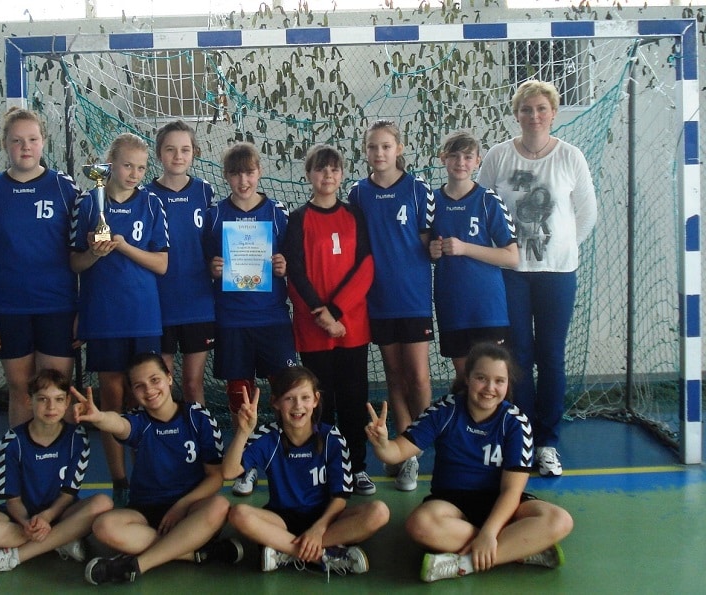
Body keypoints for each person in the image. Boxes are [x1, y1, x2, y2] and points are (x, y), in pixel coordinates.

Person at [365, 342, 574, 583]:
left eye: (499, 381)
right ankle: (519, 547)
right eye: (481, 378)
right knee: (419, 525)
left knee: (559, 520)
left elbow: (511, 491)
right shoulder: (444, 411)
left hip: (501, 503)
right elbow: (397, 451)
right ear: (467, 378)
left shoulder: (516, 423)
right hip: (452, 504)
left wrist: (489, 533)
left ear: (508, 384)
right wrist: (382, 444)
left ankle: (465, 564)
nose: (490, 388)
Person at [477, 80, 597, 477]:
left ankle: (547, 443)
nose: (534, 115)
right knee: (518, 357)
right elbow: (481, 207)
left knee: (551, 356)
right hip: (511, 273)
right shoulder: (498, 156)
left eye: (541, 108)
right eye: (526, 109)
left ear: (553, 113)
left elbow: (587, 213)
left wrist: (560, 249)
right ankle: (522, 437)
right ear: (516, 114)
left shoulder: (570, 156)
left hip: (557, 273)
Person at [72, 352, 242, 585]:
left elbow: (215, 477)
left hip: (191, 509)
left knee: (220, 506)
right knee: (104, 526)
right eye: (139, 386)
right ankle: (196, 552)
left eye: (155, 380)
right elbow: (120, 425)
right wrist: (100, 417)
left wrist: (181, 506)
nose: (149, 390)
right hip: (145, 511)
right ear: (133, 392)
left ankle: (138, 565)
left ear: (169, 378)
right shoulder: (139, 421)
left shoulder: (197, 418)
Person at [0, 108, 82, 427]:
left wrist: (84, 310)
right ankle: (22, 456)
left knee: (56, 391)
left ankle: (63, 459)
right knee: (22, 391)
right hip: (8, 309)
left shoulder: (64, 188)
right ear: (4, 144)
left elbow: (84, 254)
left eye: (32, 139)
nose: (25, 147)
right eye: (16, 140)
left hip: (58, 307)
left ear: (43, 142)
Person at [70, 132, 169, 506]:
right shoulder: (87, 203)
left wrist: (124, 246)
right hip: (104, 316)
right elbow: (74, 262)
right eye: (128, 165)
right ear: (110, 164)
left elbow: (162, 264)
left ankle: (147, 476)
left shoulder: (152, 203)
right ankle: (120, 480)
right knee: (111, 397)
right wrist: (95, 253)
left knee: (144, 398)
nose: (134, 174)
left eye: (141, 168)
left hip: (143, 316)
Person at [224, 365, 389, 578]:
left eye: (305, 397)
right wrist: (243, 432)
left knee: (379, 512)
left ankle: (284, 550)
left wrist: (318, 528)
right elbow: (229, 472)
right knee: (238, 514)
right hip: (281, 519)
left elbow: (340, 497)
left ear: (316, 400)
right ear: (275, 402)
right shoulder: (268, 436)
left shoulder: (332, 437)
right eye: (289, 398)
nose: (298, 406)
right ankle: (322, 555)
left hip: (326, 519)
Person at [202, 141, 297, 497]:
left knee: (286, 390)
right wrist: (212, 267)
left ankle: (289, 457)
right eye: (236, 174)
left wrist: (285, 265)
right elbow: (204, 260)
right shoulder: (214, 215)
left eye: (250, 172)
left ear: (260, 172)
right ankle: (247, 465)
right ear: (226, 176)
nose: (243, 181)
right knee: (240, 397)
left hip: (272, 318)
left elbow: (293, 258)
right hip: (232, 320)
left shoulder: (278, 213)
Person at [283, 144, 377, 496]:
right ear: (309, 174)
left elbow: (366, 266)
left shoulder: (355, 215)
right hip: (313, 329)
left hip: (351, 326)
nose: (327, 175)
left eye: (334, 169)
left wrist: (336, 311)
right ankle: (322, 466)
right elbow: (295, 273)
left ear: (341, 174)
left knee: (354, 399)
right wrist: (321, 315)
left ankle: (357, 466)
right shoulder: (298, 219)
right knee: (319, 402)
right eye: (321, 169)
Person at [348, 119, 435, 491]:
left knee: (419, 376)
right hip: (378, 300)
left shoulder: (418, 189)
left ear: (399, 149)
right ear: (365, 151)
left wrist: (437, 250)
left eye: (386, 146)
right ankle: (406, 453)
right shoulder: (358, 193)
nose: (379, 153)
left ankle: (423, 443)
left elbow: (428, 241)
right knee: (395, 376)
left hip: (413, 297)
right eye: (372, 147)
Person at [0, 369, 114, 578]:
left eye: (58, 399)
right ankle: (61, 539)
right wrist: (27, 523)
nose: (51, 407)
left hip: (60, 514)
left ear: (67, 402)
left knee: (103, 503)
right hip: (21, 520)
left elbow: (68, 495)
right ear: (28, 401)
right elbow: (13, 500)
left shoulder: (77, 438)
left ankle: (13, 555)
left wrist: (47, 517)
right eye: (42, 399)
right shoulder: (11, 442)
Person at [429, 130, 518, 390]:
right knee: (465, 379)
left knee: (492, 381)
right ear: (443, 158)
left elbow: (512, 257)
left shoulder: (488, 200)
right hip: (453, 306)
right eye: (454, 156)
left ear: (478, 161)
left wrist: (464, 247)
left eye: (468, 157)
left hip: (487, 308)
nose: (461, 162)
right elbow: (423, 251)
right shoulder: (430, 202)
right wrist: (432, 251)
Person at [149, 120, 216, 405]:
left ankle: (199, 433)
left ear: (194, 153)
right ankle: (164, 433)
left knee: (192, 383)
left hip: (198, 302)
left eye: (185, 149)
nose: (178, 156)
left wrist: (217, 264)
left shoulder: (204, 191)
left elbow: (214, 241)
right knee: (160, 383)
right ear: (159, 153)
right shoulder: (146, 196)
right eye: (170, 149)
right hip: (158, 304)